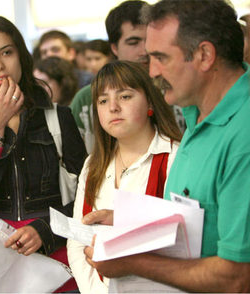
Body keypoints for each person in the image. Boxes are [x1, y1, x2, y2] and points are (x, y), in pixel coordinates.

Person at [83, 1, 250, 292]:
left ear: (204, 55)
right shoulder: (198, 114)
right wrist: (127, 221)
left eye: (160, 58)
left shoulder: (243, 134)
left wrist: (131, 262)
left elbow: (237, 277)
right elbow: (199, 216)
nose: (152, 72)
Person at [0, 15, 87, 293]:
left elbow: (87, 198)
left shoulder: (58, 118)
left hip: (56, 267)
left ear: (21, 56)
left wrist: (44, 230)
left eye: (6, 53)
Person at [67, 61, 181, 294]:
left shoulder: (174, 158)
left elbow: (183, 235)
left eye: (125, 96)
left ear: (150, 101)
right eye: (103, 101)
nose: (113, 107)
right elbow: (77, 240)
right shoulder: (93, 164)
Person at [70, 0, 150, 153]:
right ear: (114, 48)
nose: (145, 51)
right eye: (133, 42)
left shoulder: (177, 91)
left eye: (150, 40)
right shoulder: (87, 98)